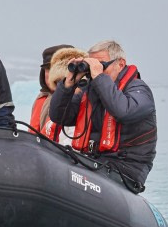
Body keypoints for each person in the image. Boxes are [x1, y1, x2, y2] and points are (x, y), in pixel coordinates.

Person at [48, 40, 157, 193]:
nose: (95, 70)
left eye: (101, 65)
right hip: (94, 162)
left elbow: (122, 111)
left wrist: (99, 77)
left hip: (126, 168)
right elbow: (59, 116)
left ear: (120, 64)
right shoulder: (91, 90)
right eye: (92, 65)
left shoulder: (139, 90)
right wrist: (68, 83)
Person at [29, 44, 84, 143]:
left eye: (55, 69)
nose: (50, 74)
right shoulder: (41, 99)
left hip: (63, 156)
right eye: (48, 69)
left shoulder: (80, 97)